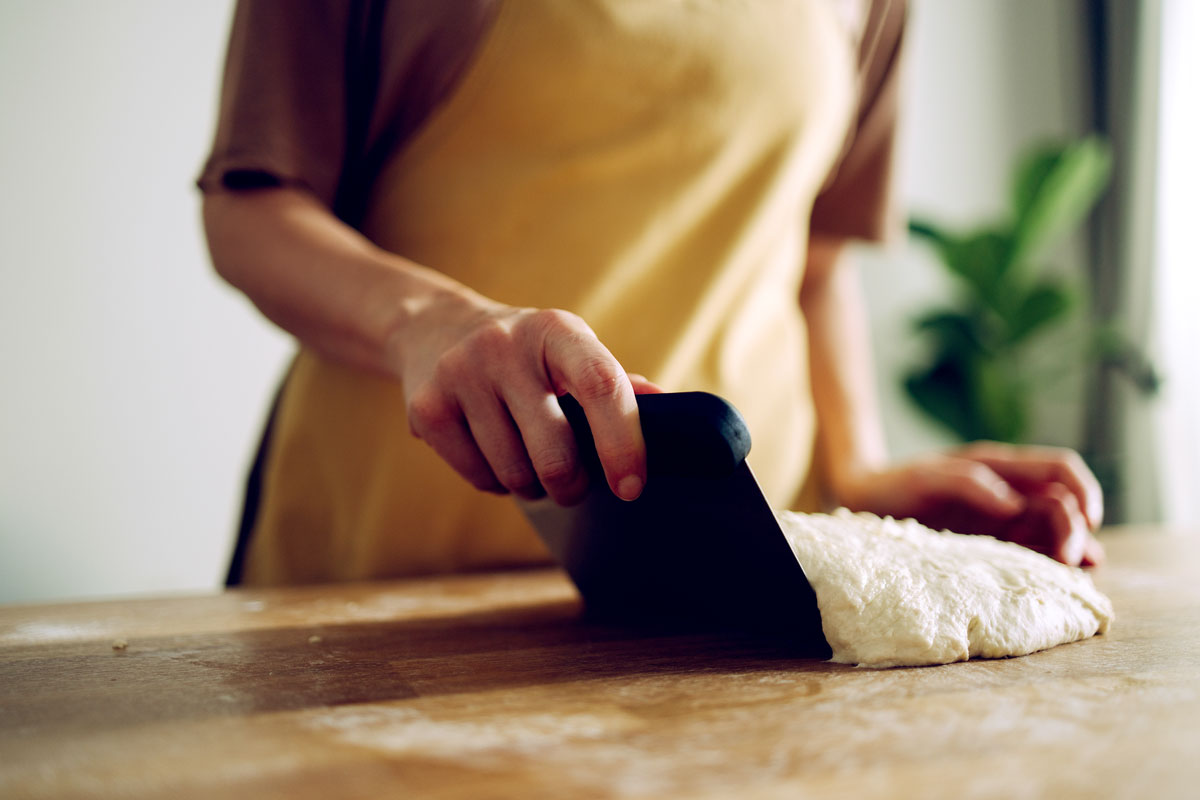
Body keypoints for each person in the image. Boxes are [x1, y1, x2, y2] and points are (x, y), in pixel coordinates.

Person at [199, 0, 1104, 587]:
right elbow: (253, 205)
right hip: (384, 567)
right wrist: (430, 322)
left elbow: (815, 265)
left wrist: (862, 471)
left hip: (732, 584)